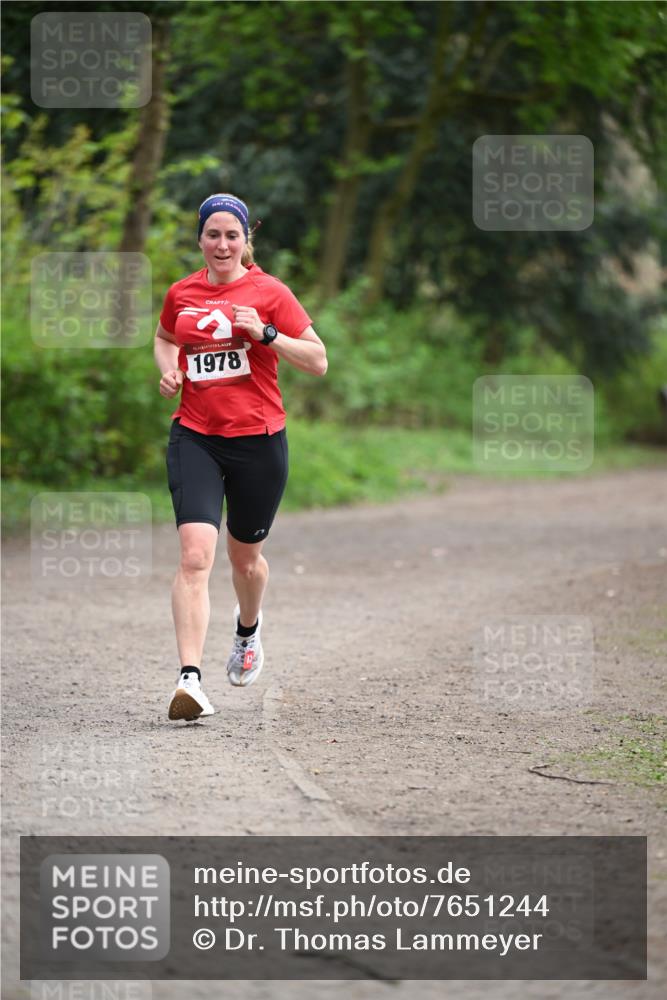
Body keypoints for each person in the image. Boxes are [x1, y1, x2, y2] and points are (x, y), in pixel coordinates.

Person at [154, 193, 327, 722]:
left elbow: (318, 360)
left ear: (246, 239)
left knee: (244, 559)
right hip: (196, 436)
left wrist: (267, 334)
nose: (222, 244)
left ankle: (248, 631)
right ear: (200, 239)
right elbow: (164, 338)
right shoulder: (181, 292)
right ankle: (189, 680)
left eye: (232, 235)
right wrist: (169, 370)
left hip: (259, 440)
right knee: (194, 556)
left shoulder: (269, 292)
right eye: (213, 234)